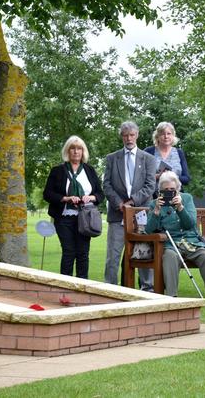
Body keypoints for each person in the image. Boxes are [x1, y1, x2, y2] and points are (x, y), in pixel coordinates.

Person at [145, 171, 205, 304]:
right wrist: (156, 211)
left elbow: (190, 224)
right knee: (170, 257)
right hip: (170, 244)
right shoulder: (154, 204)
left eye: (172, 190)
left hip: (192, 242)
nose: (169, 192)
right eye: (165, 190)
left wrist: (180, 208)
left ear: (178, 189)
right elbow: (149, 230)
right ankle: (172, 298)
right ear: (160, 191)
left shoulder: (187, 198)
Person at [103, 121, 157, 288]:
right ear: (121, 137)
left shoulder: (148, 159)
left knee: (144, 253)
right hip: (117, 213)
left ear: (137, 135)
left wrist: (132, 202)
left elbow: (150, 185)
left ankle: (147, 289)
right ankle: (109, 289)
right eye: (125, 135)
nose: (129, 138)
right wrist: (119, 204)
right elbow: (106, 185)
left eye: (132, 135)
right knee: (113, 255)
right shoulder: (112, 158)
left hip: (140, 214)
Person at [43, 136, 104, 279]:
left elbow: (100, 194)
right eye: (73, 148)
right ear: (67, 151)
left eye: (79, 149)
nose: (76, 152)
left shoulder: (89, 170)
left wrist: (91, 197)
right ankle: (66, 288)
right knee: (69, 252)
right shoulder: (57, 171)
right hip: (64, 218)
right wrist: (66, 198)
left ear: (83, 152)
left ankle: (83, 287)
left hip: (85, 218)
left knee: (83, 253)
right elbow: (47, 194)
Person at [144, 122, 191, 191]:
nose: (166, 136)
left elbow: (187, 179)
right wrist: (158, 176)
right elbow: (139, 177)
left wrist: (171, 176)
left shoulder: (179, 153)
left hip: (176, 196)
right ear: (157, 136)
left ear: (173, 136)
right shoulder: (148, 151)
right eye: (162, 134)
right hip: (153, 196)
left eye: (169, 133)